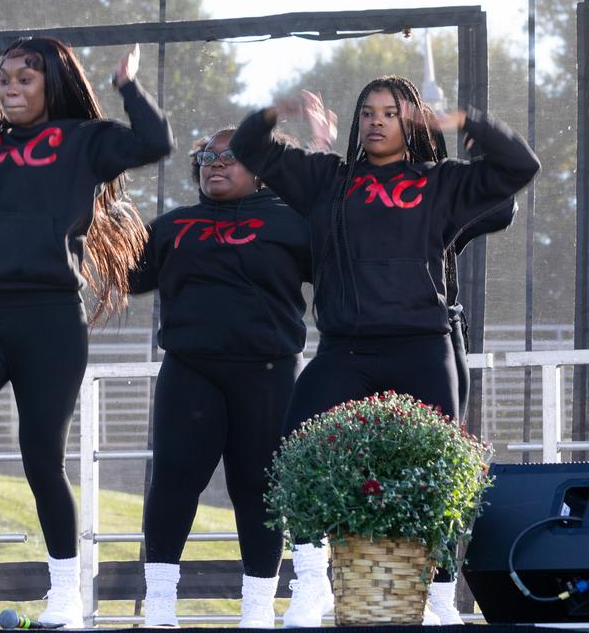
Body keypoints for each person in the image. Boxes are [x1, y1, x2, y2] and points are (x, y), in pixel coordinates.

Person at [0, 10, 174, 627]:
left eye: (24, 79)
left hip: (48, 319)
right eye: (5, 78)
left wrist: (127, 87)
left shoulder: (82, 140)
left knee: (40, 454)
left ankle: (65, 591)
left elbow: (154, 143)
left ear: (51, 85)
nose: (11, 87)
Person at [231, 75, 540, 627]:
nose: (376, 120)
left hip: (421, 346)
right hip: (345, 350)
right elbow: (249, 148)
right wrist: (275, 111)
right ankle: (310, 584)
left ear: (410, 122)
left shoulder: (441, 183)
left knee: (443, 470)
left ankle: (440, 601)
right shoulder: (326, 179)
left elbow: (520, 167)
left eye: (390, 113)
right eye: (368, 111)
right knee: (294, 450)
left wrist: (466, 122)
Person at [129, 125, 312, 628]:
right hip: (191, 370)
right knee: (172, 481)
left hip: (269, 372)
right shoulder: (171, 225)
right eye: (207, 155)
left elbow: (346, 269)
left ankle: (257, 607)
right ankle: (160, 606)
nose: (215, 162)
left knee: (259, 486)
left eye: (231, 156)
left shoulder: (294, 222)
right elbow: (129, 277)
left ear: (261, 167)